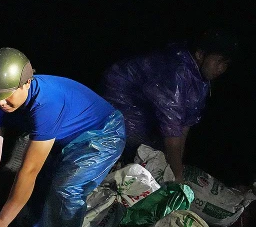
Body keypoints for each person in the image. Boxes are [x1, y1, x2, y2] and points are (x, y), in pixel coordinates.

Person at [0, 48, 125, 227]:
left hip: (103, 132)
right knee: (36, 186)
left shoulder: (47, 103)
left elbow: (29, 171)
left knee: (65, 189)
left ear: (26, 82)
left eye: (6, 97)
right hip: (61, 135)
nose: (1, 104)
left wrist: (2, 220)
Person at [101, 28, 238, 183]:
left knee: (161, 156)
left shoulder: (201, 81)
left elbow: (184, 126)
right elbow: (172, 133)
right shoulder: (176, 72)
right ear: (200, 54)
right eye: (218, 61)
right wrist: (177, 177)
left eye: (225, 64)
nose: (221, 69)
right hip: (123, 98)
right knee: (134, 145)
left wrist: (177, 168)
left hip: (147, 108)